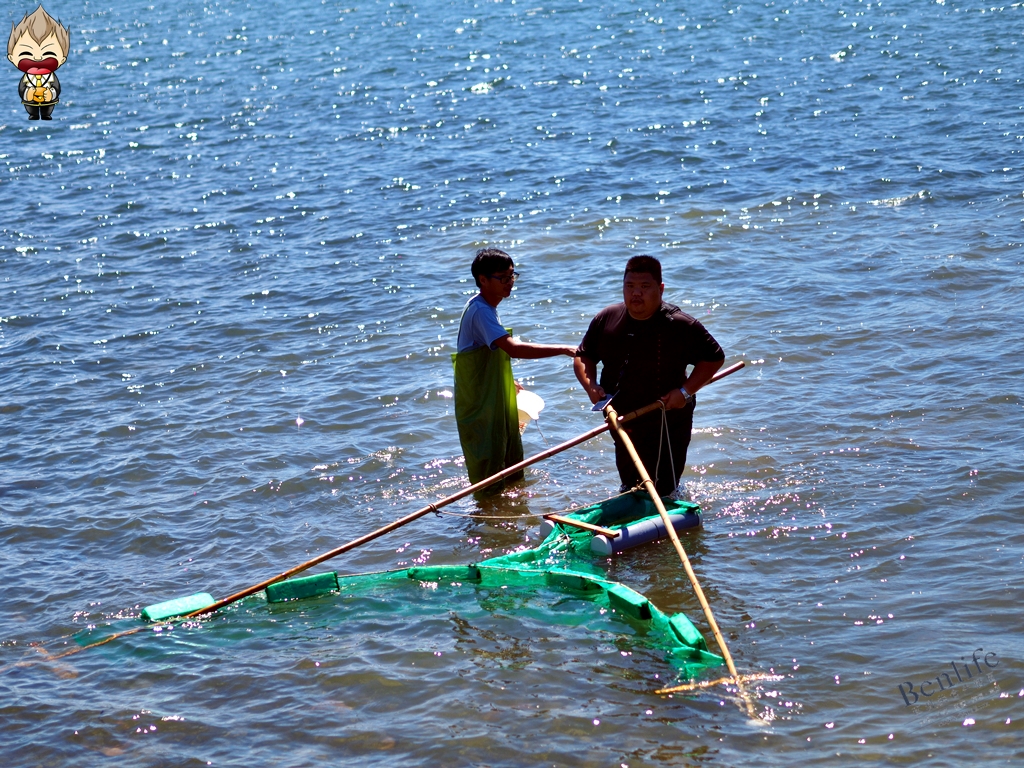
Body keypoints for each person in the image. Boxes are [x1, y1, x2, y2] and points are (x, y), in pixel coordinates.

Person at [574, 255, 725, 497]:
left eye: (645, 287)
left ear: (661, 289)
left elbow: (714, 358)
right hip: (621, 418)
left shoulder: (680, 324)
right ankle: (631, 513)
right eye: (630, 286)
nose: (636, 294)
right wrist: (591, 386)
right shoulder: (607, 318)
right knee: (630, 485)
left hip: (667, 418)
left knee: (663, 488)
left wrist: (685, 392)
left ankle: (668, 513)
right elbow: (583, 356)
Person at [454, 249, 576, 489]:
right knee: (489, 471)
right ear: (483, 280)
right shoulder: (480, 311)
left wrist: (507, 380)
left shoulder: (486, 307)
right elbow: (513, 349)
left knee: (510, 464)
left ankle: (508, 514)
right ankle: (486, 518)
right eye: (503, 278)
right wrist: (564, 349)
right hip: (479, 404)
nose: (510, 283)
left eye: (512, 276)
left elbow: (488, 354)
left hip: (492, 396)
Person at [7, 6, 70, 121]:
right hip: (30, 100)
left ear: (62, 59)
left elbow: (57, 87)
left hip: (48, 99)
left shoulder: (51, 77)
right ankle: (33, 114)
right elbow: (21, 88)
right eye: (26, 52)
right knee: (30, 107)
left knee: (48, 107)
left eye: (49, 52)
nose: (37, 58)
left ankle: (46, 114)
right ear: (12, 58)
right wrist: (27, 93)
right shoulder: (27, 78)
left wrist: (51, 93)